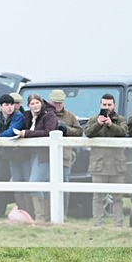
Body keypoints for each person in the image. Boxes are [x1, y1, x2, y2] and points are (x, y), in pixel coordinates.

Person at [84, 94, 127, 226]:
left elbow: (123, 132)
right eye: (104, 105)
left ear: (114, 105)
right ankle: (97, 224)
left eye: (109, 105)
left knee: (118, 197)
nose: (107, 107)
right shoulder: (93, 119)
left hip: (116, 164)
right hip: (99, 164)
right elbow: (88, 133)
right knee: (98, 196)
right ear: (100, 105)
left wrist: (111, 125)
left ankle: (118, 224)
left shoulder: (120, 119)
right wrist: (99, 124)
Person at [15, 94, 58, 223]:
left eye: (37, 103)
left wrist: (27, 133)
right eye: (32, 104)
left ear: (41, 103)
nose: (35, 106)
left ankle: (40, 217)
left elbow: (48, 131)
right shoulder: (28, 116)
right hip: (30, 154)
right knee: (42, 186)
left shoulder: (49, 115)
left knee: (34, 184)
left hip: (43, 154)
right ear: (28, 105)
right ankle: (45, 217)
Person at [0, 94, 26, 215]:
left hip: (19, 155)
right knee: (0, 183)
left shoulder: (18, 116)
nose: (10, 107)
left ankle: (23, 212)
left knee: (19, 184)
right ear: (0, 106)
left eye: (11, 104)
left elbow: (12, 131)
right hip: (4, 155)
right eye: (6, 105)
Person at [48, 89, 82, 217]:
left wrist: (66, 129)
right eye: (55, 102)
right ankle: (46, 214)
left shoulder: (70, 116)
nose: (57, 105)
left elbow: (79, 132)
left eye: (60, 103)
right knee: (45, 186)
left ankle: (63, 214)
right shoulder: (45, 115)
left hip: (64, 156)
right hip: (46, 157)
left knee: (63, 187)